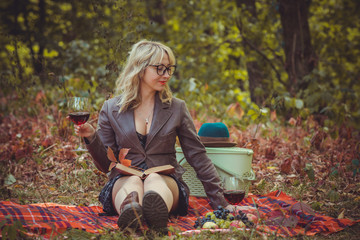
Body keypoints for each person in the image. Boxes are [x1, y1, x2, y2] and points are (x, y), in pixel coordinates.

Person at [74, 39, 238, 231]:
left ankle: (155, 216)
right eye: (160, 68)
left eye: (169, 69)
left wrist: (221, 203)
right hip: (125, 179)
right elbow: (106, 164)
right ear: (140, 68)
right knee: (133, 182)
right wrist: (91, 137)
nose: (166, 75)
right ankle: (132, 214)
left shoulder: (177, 107)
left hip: (166, 180)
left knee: (154, 179)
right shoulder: (111, 109)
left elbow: (197, 156)